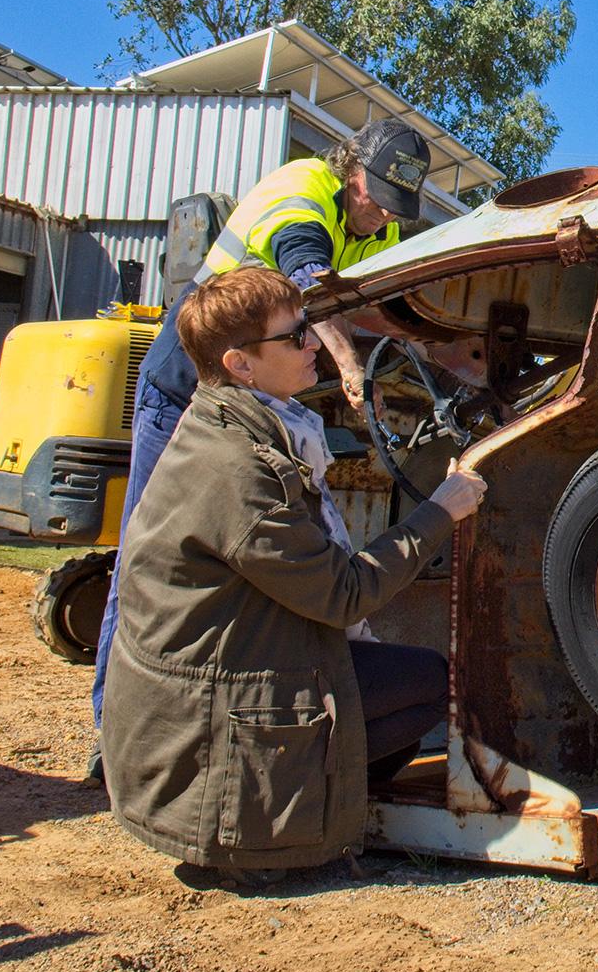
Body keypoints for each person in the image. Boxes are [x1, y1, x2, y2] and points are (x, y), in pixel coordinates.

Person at [89, 118, 471, 746]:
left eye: (396, 206)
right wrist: (348, 365)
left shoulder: (383, 223)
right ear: (351, 173)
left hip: (253, 401)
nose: (382, 217)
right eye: (376, 198)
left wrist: (445, 350)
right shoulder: (298, 195)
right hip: (186, 387)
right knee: (144, 556)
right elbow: (309, 284)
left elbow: (378, 305)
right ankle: (114, 729)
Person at [100, 267, 488, 879]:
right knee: (428, 686)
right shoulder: (238, 471)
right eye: (295, 336)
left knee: (406, 707)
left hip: (214, 683)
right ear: (241, 365)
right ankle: (259, 835)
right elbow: (343, 593)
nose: (315, 344)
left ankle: (296, 808)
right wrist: (439, 511)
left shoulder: (230, 426)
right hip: (210, 714)